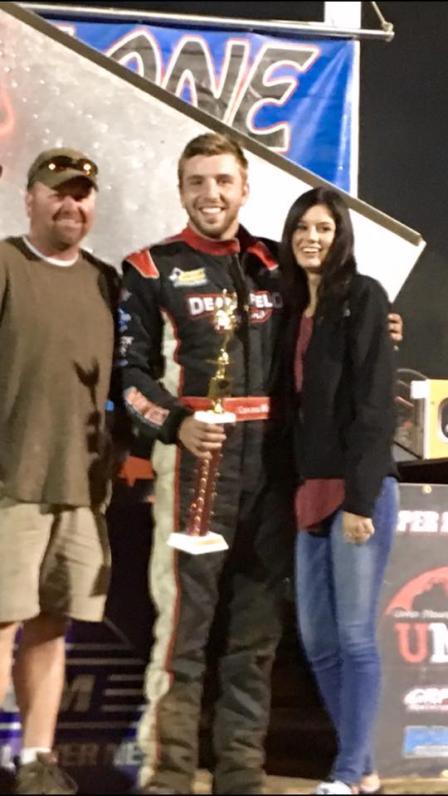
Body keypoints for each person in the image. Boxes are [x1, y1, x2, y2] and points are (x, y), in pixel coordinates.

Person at [119, 133, 403, 795]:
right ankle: (166, 772)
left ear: (245, 188)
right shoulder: (151, 267)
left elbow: (340, 326)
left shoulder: (279, 266)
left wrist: (382, 326)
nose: (211, 194)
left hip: (275, 478)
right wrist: (177, 423)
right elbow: (128, 375)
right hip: (194, 474)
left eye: (223, 180)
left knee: (255, 639)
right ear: (180, 187)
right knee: (181, 636)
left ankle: (241, 770)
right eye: (197, 181)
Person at [0, 148, 123, 795]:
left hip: (81, 491)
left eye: (81, 194)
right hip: (9, 485)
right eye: (57, 192)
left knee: (50, 627)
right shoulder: (5, 264)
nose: (71, 204)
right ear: (30, 199)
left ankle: (35, 759)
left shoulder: (107, 281)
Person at [278, 186, 399, 795]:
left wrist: (358, 499)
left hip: (358, 493)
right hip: (307, 492)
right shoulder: (289, 305)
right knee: (319, 642)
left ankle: (348, 773)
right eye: (303, 226)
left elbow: (376, 405)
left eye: (323, 228)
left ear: (341, 234)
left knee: (354, 636)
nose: (312, 238)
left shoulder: (364, 297)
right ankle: (365, 765)